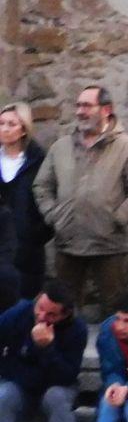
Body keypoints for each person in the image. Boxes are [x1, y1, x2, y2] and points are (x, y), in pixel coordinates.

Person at [33, 85, 128, 317]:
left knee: (116, 311)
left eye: (87, 106)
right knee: (60, 312)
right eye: (78, 105)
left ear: (106, 109)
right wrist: (54, 216)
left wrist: (117, 219)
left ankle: (115, 353)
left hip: (108, 245)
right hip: (68, 242)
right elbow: (42, 185)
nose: (79, 111)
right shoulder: (61, 147)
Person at [0, 282, 87, 422]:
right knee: (4, 396)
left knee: (57, 398)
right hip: (21, 385)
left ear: (63, 316)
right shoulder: (19, 314)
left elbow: (66, 375)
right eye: (40, 308)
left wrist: (47, 348)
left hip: (57, 386)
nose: (41, 316)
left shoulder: (76, 330)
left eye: (51, 315)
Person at [0, 102, 49, 300]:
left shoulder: (39, 161)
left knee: (25, 310)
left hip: (28, 251)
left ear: (23, 129)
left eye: (11, 124)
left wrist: (36, 234)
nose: (4, 129)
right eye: (1, 123)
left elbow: (49, 200)